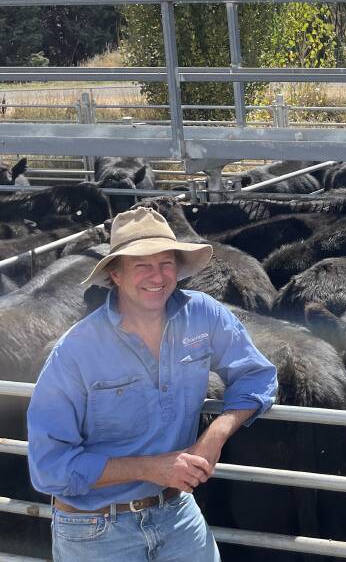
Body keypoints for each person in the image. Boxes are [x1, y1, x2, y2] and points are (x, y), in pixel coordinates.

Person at [26, 207, 278, 561]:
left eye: (166, 263)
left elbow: (257, 375)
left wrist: (215, 435)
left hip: (175, 510)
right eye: (141, 265)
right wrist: (151, 468)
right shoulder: (76, 351)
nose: (157, 277)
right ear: (114, 274)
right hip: (96, 528)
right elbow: (49, 468)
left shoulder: (202, 314)